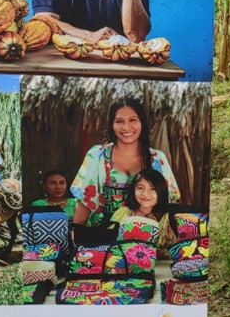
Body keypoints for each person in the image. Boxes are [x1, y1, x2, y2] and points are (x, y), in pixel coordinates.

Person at [70, 97, 180, 227]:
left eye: (133, 120)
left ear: (142, 123)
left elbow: (171, 203)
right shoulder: (97, 156)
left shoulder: (157, 159)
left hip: (150, 238)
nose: (126, 127)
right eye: (119, 121)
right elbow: (85, 203)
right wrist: (76, 239)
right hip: (105, 238)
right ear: (112, 124)